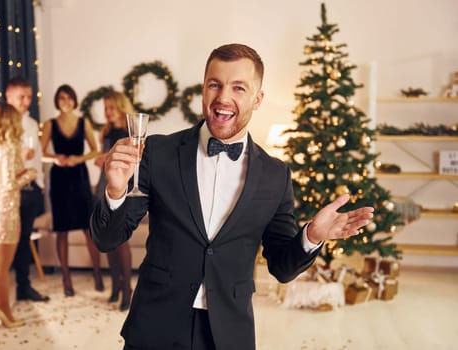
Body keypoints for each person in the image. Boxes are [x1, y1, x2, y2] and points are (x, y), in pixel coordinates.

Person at [90, 43, 374, 350]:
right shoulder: (158, 153)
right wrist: (116, 191)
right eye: (215, 84)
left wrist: (312, 235)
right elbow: (107, 239)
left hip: (228, 335)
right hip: (155, 327)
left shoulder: (275, 175)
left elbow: (281, 267)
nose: (223, 98)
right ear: (203, 89)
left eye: (239, 88)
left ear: (258, 98)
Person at [0, 77, 50, 303]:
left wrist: (38, 183)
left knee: (24, 242)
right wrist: (17, 160)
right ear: (8, 97)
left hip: (30, 191)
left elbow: (36, 160)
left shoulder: (32, 124)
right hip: (5, 195)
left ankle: (23, 288)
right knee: (1, 249)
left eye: (29, 96)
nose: (27, 101)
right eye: (21, 96)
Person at [40, 84, 104, 296]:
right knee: (62, 231)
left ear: (74, 100)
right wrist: (55, 158)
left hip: (79, 178)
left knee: (88, 228)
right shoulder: (50, 124)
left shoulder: (83, 122)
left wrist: (79, 158)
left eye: (69, 98)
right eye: (61, 98)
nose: (65, 101)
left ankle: (97, 273)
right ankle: (66, 279)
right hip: (59, 180)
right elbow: (40, 153)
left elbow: (95, 150)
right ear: (57, 101)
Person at [0, 102, 37, 328]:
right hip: (6, 211)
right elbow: (9, 185)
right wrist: (30, 174)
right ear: (9, 121)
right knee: (2, 267)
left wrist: (22, 169)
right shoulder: (9, 147)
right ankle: (6, 312)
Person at [93, 90, 134, 310]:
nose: (107, 112)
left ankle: (127, 288)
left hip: (123, 188)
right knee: (107, 241)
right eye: (105, 108)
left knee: (121, 240)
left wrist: (106, 157)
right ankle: (116, 287)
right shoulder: (105, 131)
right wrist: (102, 159)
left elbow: (132, 161)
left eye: (111, 107)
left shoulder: (130, 131)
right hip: (102, 187)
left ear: (120, 106)